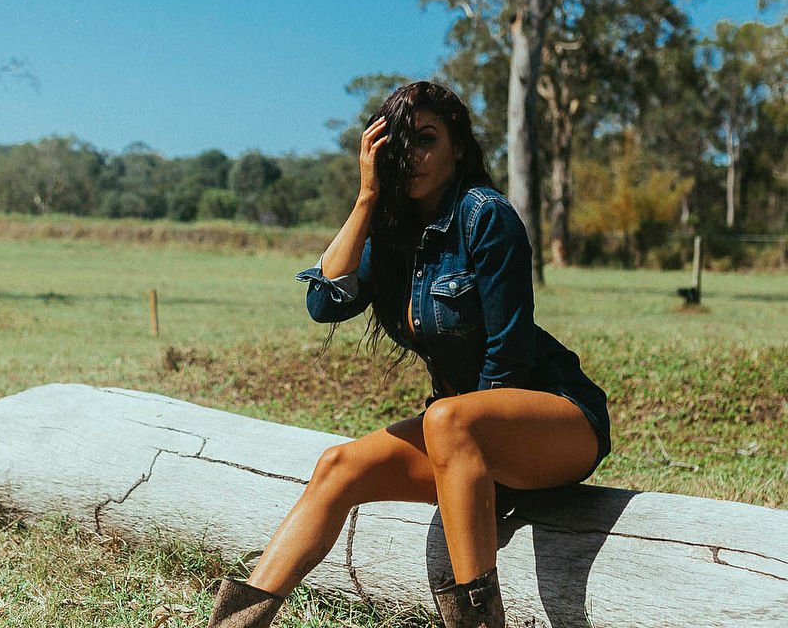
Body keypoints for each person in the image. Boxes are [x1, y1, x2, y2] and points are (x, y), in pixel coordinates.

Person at [205, 81, 611, 628]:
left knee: (446, 418)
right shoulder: (393, 231)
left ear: (458, 148)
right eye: (400, 142)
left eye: (427, 139)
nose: (411, 155)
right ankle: (234, 623)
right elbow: (323, 304)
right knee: (338, 466)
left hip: (556, 420)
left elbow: (509, 354)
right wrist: (367, 199)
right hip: (463, 437)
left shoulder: (485, 216)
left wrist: (481, 481)